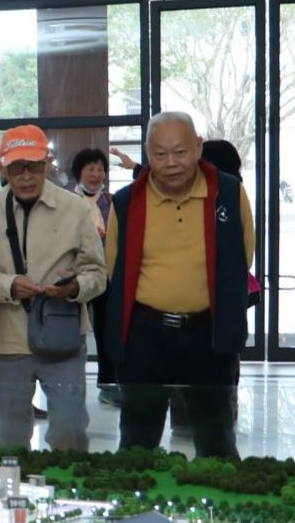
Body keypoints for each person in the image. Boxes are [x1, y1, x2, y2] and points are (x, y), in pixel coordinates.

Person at [103, 112, 255, 460]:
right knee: (137, 440)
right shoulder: (126, 202)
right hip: (145, 336)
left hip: (208, 334)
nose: (170, 163)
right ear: (148, 154)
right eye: (160, 154)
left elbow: (242, 257)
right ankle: (137, 495)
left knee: (216, 438)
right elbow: (115, 268)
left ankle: (216, 494)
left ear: (198, 147)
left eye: (180, 152)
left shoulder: (229, 194)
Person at [0, 127, 106, 453]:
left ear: (48, 164)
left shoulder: (75, 209)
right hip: (7, 340)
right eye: (17, 168)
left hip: (63, 338)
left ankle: (68, 482)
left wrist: (74, 287)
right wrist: (7, 285)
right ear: (2, 169)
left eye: (34, 166)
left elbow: (97, 273)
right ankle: (14, 486)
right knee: (10, 437)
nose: (26, 176)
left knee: (69, 431)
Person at [69, 147, 118, 404]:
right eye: (91, 169)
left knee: (107, 330)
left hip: (105, 274)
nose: (96, 174)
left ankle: (108, 385)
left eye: (101, 169)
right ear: (79, 171)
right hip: (75, 275)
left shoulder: (111, 201)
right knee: (71, 329)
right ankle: (68, 384)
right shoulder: (67, 201)